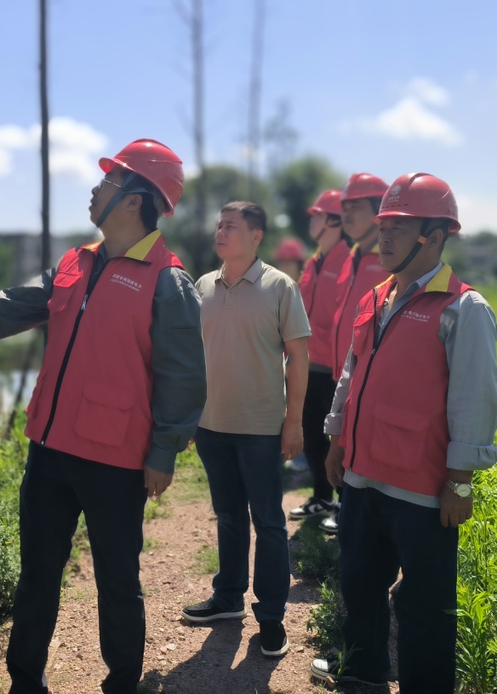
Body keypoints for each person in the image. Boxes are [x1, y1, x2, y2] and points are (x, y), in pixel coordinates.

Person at [0, 139, 207, 694]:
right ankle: (25, 683)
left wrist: (163, 452)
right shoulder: (74, 263)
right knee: (37, 575)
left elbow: (184, 376)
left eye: (108, 182)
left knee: (117, 583)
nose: (95, 189)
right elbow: (10, 307)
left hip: (115, 461)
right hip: (51, 450)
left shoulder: (167, 281)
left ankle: (122, 684)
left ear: (135, 200)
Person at [309, 173, 497, 694]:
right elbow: (351, 374)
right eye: (384, 226)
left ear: (434, 236)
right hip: (362, 477)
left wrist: (460, 481)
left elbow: (474, 399)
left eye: (399, 227)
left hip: (421, 490)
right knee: (359, 585)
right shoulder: (375, 298)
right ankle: (364, 672)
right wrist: (337, 440)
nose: (385, 237)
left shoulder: (463, 309)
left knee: (424, 605)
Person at [181, 201, 311, 659]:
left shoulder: (280, 287)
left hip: (261, 429)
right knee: (229, 515)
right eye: (219, 225)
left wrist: (293, 421)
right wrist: (190, 414)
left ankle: (271, 616)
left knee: (269, 521)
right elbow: (193, 356)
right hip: (211, 425)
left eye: (230, 226)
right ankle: (228, 597)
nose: (220, 232)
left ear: (256, 236)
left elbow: (299, 357)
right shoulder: (202, 286)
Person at [319, 173, 391, 534]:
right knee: (340, 444)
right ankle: (344, 510)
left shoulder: (390, 260)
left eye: (357, 207)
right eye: (344, 208)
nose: (346, 215)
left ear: (379, 212)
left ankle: (358, 520)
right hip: (341, 371)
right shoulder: (351, 256)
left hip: (370, 374)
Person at [288, 189, 349, 522]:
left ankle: (345, 507)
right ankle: (323, 498)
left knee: (340, 440)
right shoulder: (314, 261)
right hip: (308, 365)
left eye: (317, 216)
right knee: (311, 434)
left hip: (335, 370)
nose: (311, 221)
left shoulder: (348, 261)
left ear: (334, 221)